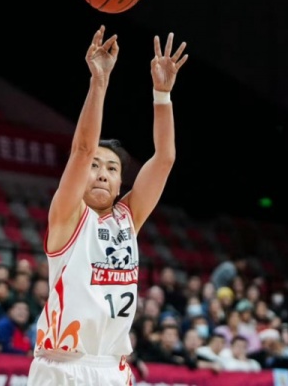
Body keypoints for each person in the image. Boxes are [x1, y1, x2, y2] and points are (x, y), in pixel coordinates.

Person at [27, 25, 188, 386]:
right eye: (95, 167)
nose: (102, 174)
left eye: (112, 169)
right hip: (62, 366)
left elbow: (164, 158)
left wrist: (162, 95)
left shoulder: (128, 218)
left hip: (113, 368)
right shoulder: (68, 215)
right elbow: (82, 149)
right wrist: (99, 81)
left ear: (119, 185)